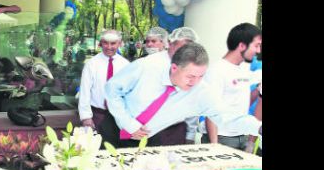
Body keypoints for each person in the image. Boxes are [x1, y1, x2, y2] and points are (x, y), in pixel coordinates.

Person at [101, 42, 262, 148]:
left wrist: (258, 128)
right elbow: (112, 88)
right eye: (191, 76)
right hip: (114, 126)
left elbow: (227, 116)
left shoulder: (201, 91)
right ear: (174, 68)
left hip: (148, 137)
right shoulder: (146, 67)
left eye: (201, 76)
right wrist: (127, 122)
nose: (195, 82)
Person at [204, 23, 262, 151]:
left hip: (242, 136)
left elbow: (241, 102)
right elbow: (211, 111)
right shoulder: (217, 70)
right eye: (256, 46)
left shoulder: (243, 69)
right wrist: (214, 146)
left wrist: (258, 91)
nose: (258, 51)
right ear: (242, 45)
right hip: (222, 138)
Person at [77, 29, 129, 130]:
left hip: (119, 117)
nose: (109, 47)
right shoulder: (91, 64)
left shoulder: (126, 65)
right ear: (101, 44)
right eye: (105, 43)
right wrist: (86, 117)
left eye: (113, 43)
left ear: (119, 44)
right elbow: (85, 91)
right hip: (97, 115)